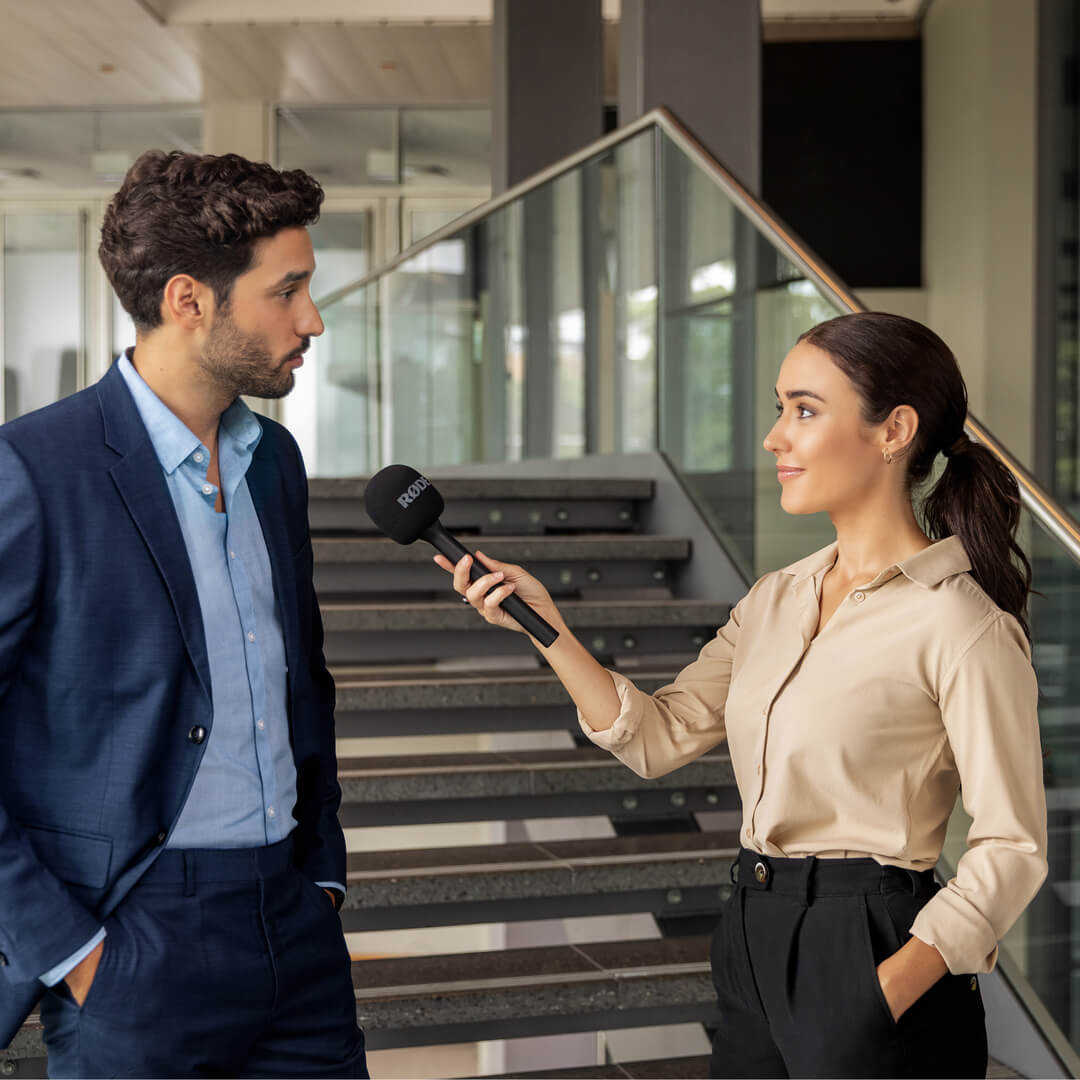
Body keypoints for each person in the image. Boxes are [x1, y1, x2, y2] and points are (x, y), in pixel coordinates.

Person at [436, 311, 1048, 1079]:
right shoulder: (774, 599)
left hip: (876, 942)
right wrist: (546, 627)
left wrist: (886, 987)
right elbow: (657, 739)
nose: (774, 437)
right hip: (754, 926)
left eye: (804, 409)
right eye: (779, 407)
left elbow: (1013, 844)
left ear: (894, 430)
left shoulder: (959, 622)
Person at [0, 150, 367, 1078]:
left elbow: (302, 683)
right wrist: (74, 955)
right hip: (134, 938)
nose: (311, 320)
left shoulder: (274, 465)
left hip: (293, 921)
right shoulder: (35, 471)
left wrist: (320, 873)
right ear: (187, 300)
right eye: (287, 291)